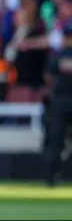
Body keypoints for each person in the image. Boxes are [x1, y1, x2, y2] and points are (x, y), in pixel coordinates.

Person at [43, 22, 72, 187]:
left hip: (60, 101)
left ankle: (51, 176)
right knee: (55, 141)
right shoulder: (57, 56)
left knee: (55, 140)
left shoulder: (57, 56)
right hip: (61, 101)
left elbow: (48, 77)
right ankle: (51, 175)